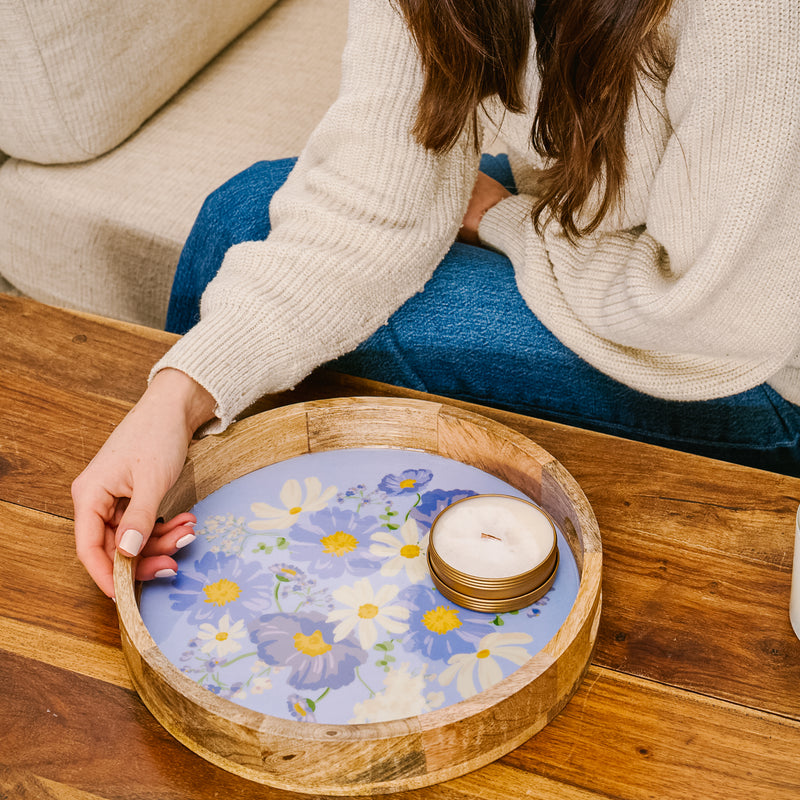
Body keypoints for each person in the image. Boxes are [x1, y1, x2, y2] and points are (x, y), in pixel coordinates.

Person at [72, 0, 800, 598]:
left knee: (343, 331)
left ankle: (234, 583)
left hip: (748, 350)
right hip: (619, 229)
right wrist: (176, 398)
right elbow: (375, 191)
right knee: (241, 211)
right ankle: (185, 532)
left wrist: (506, 223)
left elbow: (721, 312)